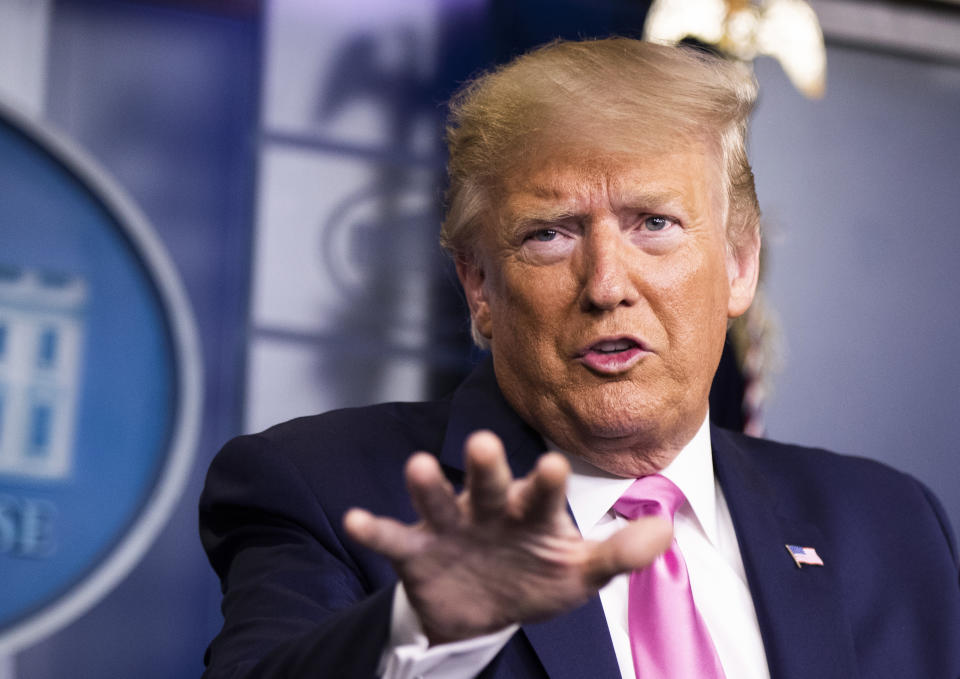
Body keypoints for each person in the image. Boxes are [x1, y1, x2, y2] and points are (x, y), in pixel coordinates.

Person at [199, 38, 960, 678]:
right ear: (479, 286)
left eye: (654, 223)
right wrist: (423, 628)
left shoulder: (891, 525)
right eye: (549, 234)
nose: (605, 285)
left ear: (738, 264)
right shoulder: (323, 490)